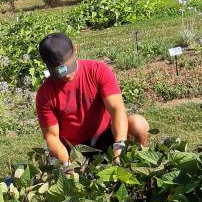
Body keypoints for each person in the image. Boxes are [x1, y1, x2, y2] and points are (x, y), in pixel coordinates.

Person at [35, 32, 150, 170]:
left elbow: (116, 110)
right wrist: (67, 165)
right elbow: (52, 136)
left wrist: (119, 147)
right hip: (75, 150)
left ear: (75, 49)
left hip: (106, 137)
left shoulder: (97, 70)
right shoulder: (45, 94)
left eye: (68, 65)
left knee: (138, 124)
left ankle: (139, 163)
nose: (67, 74)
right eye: (59, 71)